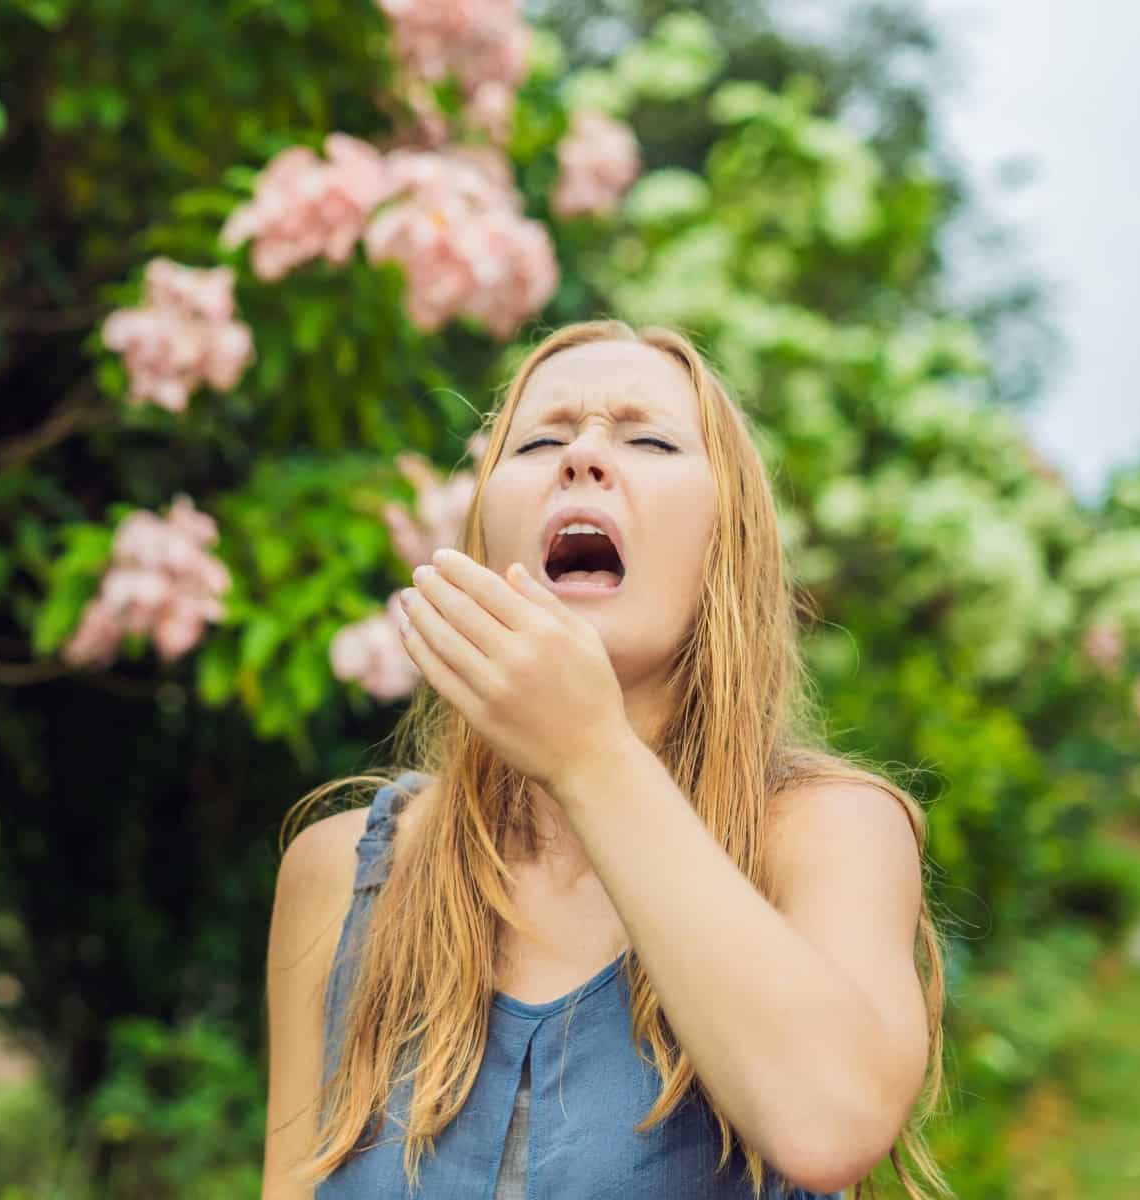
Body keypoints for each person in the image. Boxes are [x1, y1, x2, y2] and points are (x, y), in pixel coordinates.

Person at [260, 319, 949, 1199]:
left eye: (650, 439)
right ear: (482, 540)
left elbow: (832, 1122)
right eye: (540, 439)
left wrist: (589, 755)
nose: (580, 457)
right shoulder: (342, 874)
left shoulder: (827, 832)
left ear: (724, 548)